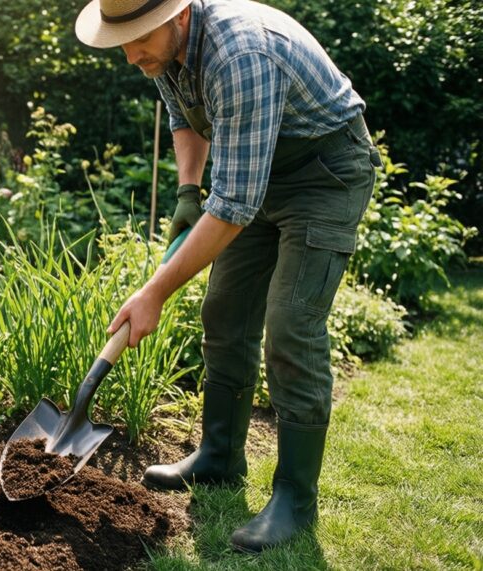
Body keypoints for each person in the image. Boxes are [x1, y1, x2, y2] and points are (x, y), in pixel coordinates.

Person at [75, 0, 381, 553]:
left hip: (324, 176)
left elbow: (236, 205)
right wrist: (190, 190)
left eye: (140, 37)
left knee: (290, 327)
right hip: (258, 170)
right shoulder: (166, 52)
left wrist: (155, 291)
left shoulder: (242, 51)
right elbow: (182, 116)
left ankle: (294, 497)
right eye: (123, 39)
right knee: (224, 311)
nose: (129, 53)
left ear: (180, 16)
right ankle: (219, 456)